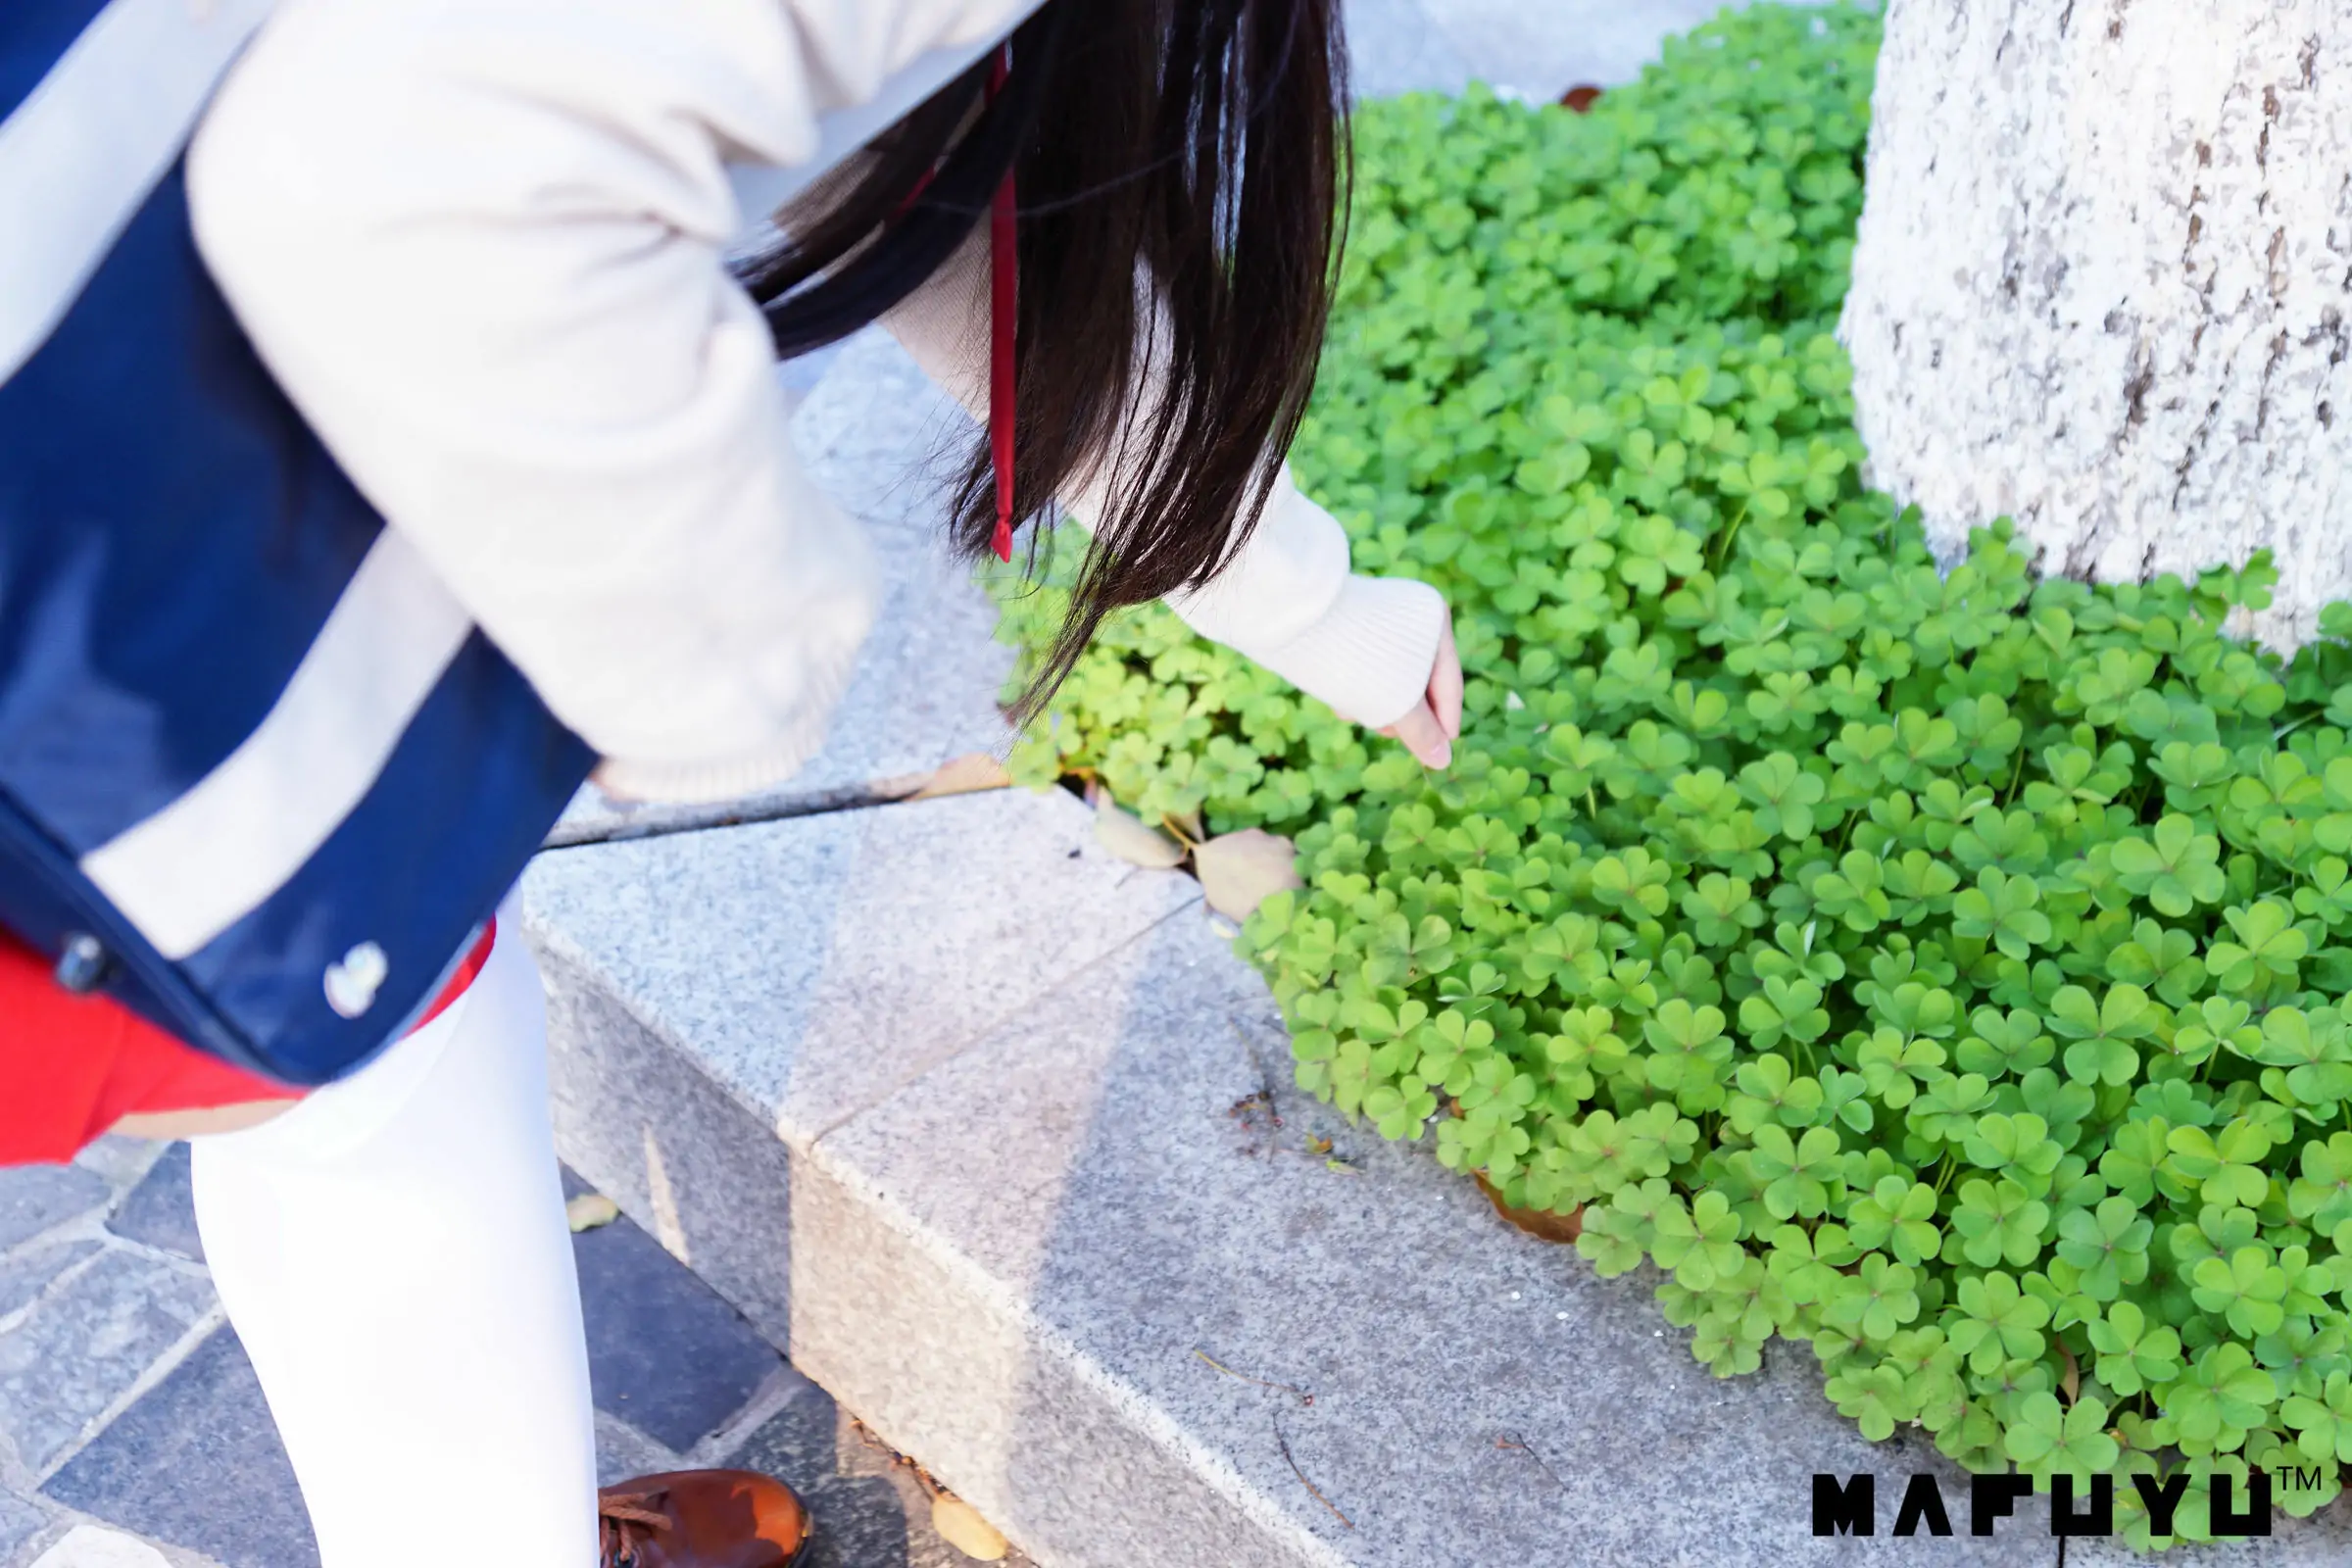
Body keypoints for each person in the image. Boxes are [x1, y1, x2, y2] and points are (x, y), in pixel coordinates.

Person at [0, 1, 1462, 1564]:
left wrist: (1311, 599)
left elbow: (909, 173)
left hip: (95, 491)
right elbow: (390, 172)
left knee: (376, 1054)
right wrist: (720, 676)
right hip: (88, 674)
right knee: (370, 1037)